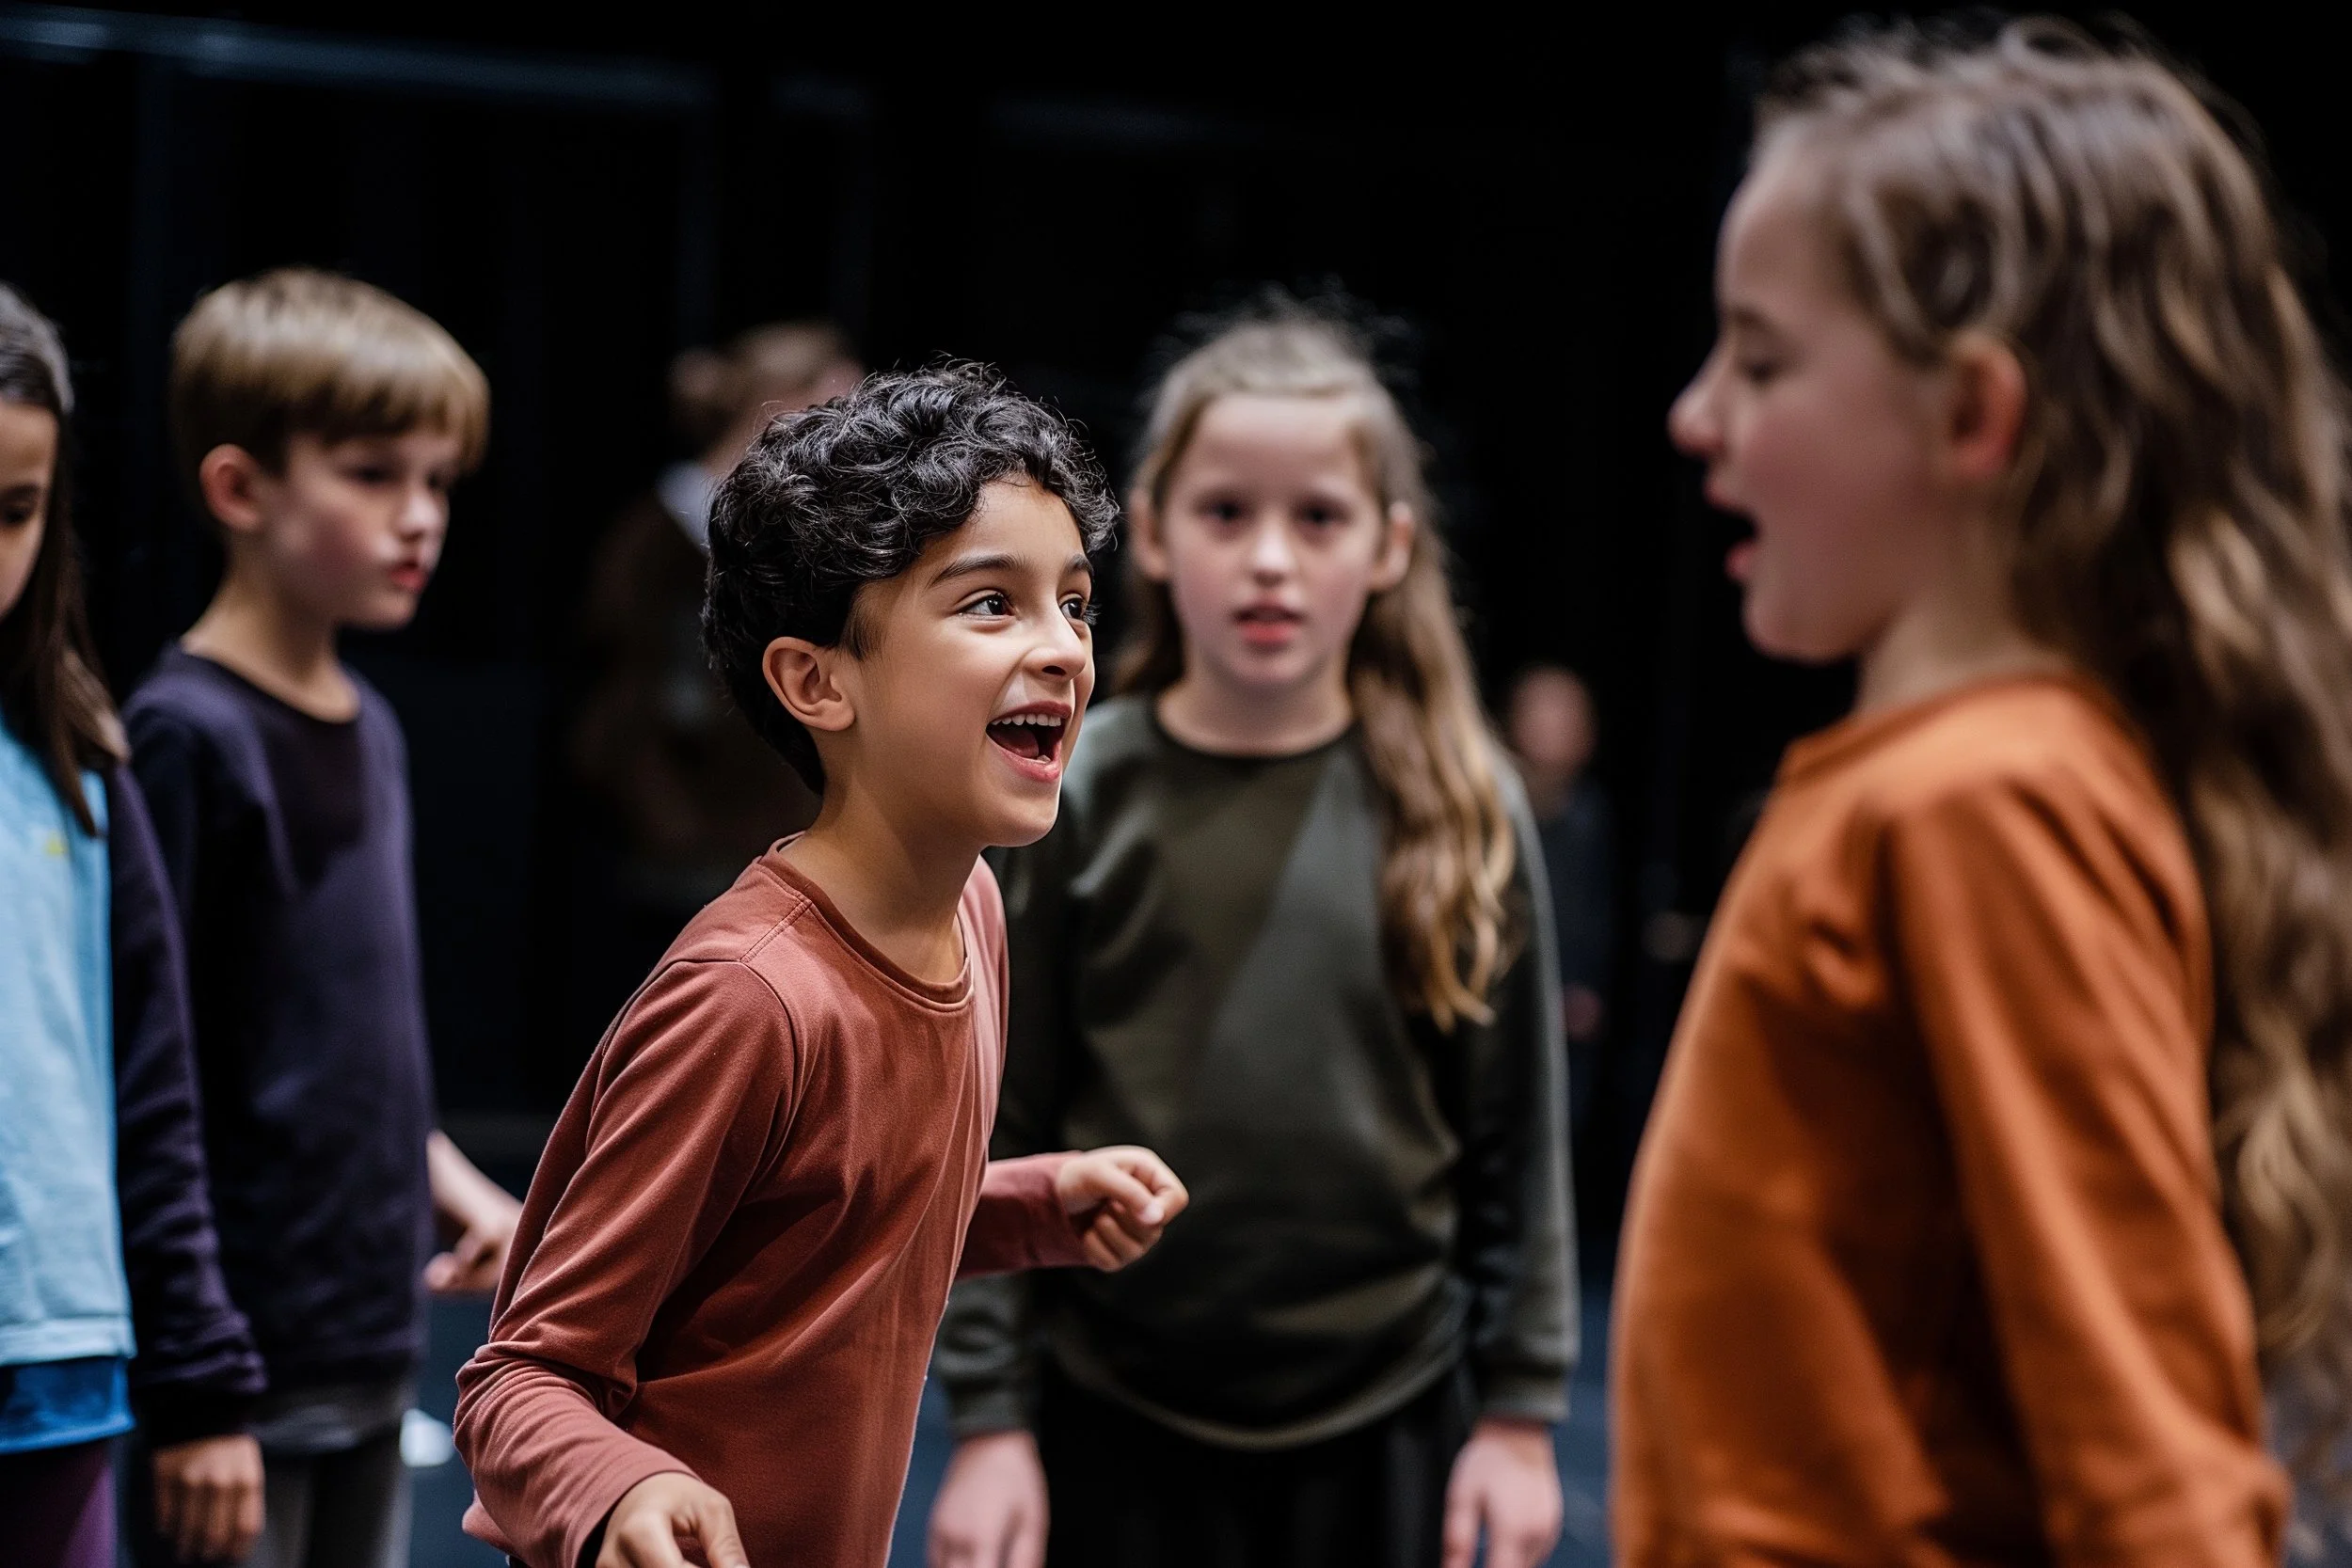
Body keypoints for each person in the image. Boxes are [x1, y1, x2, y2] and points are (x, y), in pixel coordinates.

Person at [1613, 17, 2352, 1562]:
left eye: (1761, 358)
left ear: (1970, 416)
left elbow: (2158, 1475)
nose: (1698, 415)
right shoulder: (1932, 787)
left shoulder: (1987, 804)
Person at [452, 364, 1189, 1568]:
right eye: (990, 605)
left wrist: (1022, 1203)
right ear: (815, 680)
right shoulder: (750, 999)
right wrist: (621, 1487)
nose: (1062, 648)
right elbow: (519, 1376)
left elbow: (823, 1217)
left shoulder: (974, 912)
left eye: (1076, 601)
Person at [929, 303, 1575, 1568]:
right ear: (1157, 534)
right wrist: (991, 1418)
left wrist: (1519, 1411)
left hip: (1390, 1419)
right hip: (1113, 1414)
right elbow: (995, 1120)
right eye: (1228, 513)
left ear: (1389, 545)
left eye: (1318, 518)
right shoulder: (1075, 786)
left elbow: (1517, 1137)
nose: (1271, 559)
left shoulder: (1457, 797)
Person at [122, 267, 525, 1568]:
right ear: (241, 489)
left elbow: (334, 1043)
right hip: (241, 1370)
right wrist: (201, 1388)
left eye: (439, 481)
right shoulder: (188, 738)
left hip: (368, 1346)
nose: (420, 519)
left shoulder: (377, 728)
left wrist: (450, 1179)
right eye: (372, 474)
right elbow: (154, 1083)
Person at [0, 284, 266, 1567]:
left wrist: (200, 1374)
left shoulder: (79, 766)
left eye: (13, 511)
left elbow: (154, 1099)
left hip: (58, 1362)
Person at [571, 323, 863, 931]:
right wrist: (673, 828)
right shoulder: (659, 537)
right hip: (680, 860)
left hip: (761, 853)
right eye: (835, 412)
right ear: (785, 403)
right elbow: (628, 704)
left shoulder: (790, 540)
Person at [1504, 663, 1613, 1135]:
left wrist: (1586, 987)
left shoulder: (1591, 819)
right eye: (1543, 713)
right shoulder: (1493, 813)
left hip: (1568, 1019)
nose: (1554, 728)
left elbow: (1598, 913)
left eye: (1567, 717)